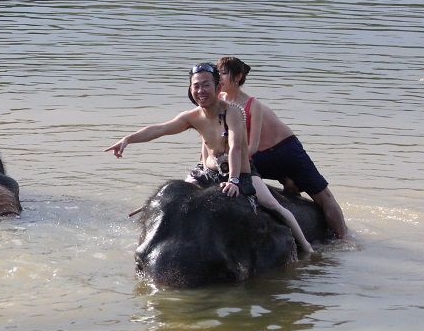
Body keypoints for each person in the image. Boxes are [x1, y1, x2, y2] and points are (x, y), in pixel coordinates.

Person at [105, 62, 314, 256]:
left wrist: (233, 179)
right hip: (208, 174)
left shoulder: (232, 112)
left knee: (274, 206)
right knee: (170, 202)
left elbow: (234, 146)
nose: (200, 91)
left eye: (206, 85)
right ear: (190, 89)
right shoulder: (192, 116)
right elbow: (160, 129)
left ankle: (306, 247)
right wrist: (128, 139)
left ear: (217, 87)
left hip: (240, 173)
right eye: (196, 86)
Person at [217, 56, 348, 238]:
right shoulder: (219, 100)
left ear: (238, 77)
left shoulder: (252, 104)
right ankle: (288, 181)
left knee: (324, 197)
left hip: (285, 150)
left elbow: (251, 146)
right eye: (217, 74)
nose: (219, 78)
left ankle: (345, 239)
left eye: (223, 74)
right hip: (260, 157)